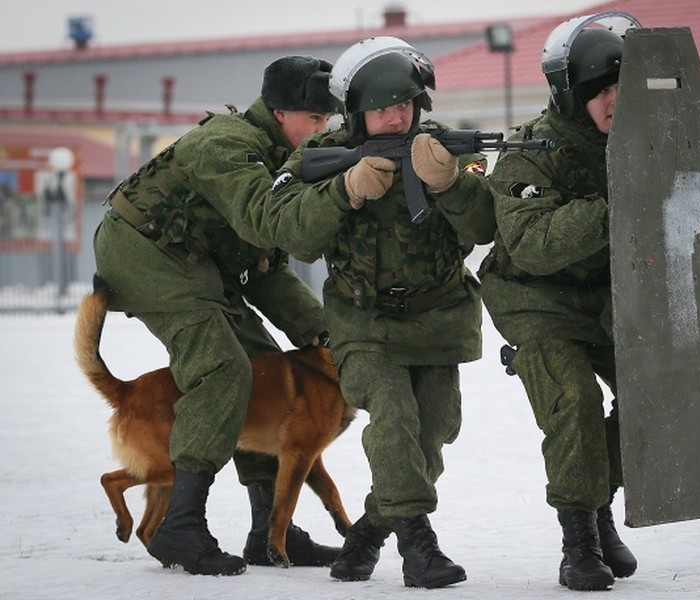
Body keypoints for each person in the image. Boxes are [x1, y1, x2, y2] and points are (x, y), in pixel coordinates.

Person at [92, 55, 343, 576]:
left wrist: (319, 329)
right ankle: (180, 526)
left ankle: (268, 532)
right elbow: (268, 222)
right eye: (315, 120)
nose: (323, 131)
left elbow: (264, 269)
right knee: (224, 370)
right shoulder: (228, 145)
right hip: (145, 252)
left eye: (329, 122)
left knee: (263, 370)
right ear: (279, 112)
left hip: (194, 261)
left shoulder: (279, 159)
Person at [269, 37, 495, 589]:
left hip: (438, 318)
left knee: (433, 432)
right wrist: (343, 190)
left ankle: (368, 533)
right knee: (393, 419)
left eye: (405, 104)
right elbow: (291, 234)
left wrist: (448, 184)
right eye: (382, 107)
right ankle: (419, 546)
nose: (397, 116)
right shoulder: (320, 158)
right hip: (362, 321)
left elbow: (485, 228)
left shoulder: (445, 151)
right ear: (356, 112)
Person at [477, 16, 639, 592]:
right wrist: (614, 204)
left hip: (610, 300)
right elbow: (534, 244)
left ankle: (600, 510)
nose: (615, 100)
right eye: (601, 89)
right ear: (573, 93)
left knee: (650, 392)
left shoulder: (647, 141)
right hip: (535, 299)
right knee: (572, 398)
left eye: (624, 85)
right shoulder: (531, 152)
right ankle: (579, 543)